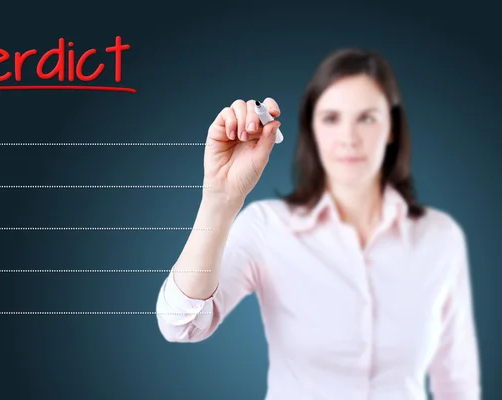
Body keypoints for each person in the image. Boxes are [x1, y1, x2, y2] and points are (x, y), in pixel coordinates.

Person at [155, 48, 481, 399]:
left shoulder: (440, 237)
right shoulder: (268, 227)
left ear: (391, 128)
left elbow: (456, 382)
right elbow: (180, 324)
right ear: (312, 128)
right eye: (331, 118)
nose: (349, 137)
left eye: (367, 118)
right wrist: (220, 200)